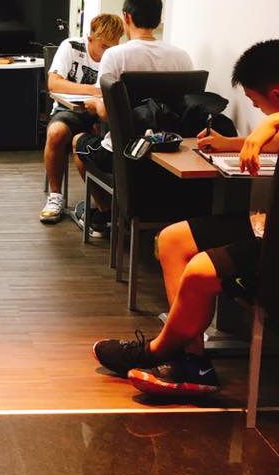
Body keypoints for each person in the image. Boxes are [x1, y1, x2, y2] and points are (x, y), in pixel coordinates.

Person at [93, 39, 279, 396]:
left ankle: (157, 350)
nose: (258, 112)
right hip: (265, 222)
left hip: (272, 242)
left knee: (198, 271)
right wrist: (231, 143)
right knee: (172, 240)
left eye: (258, 104)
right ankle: (194, 361)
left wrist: (271, 122)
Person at [72, 0, 193, 237]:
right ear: (159, 19)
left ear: (126, 17)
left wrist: (94, 105)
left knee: (78, 143)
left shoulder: (115, 55)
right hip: (167, 152)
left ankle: (107, 214)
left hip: (124, 152)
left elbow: (106, 113)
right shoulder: (182, 57)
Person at [40, 13, 124, 224]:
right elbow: (54, 83)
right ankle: (56, 196)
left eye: (112, 47)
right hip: (72, 111)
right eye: (103, 46)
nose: (107, 52)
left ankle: (112, 206)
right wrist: (94, 90)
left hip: (104, 115)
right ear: (90, 38)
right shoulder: (71, 47)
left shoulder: (119, 56)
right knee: (56, 133)